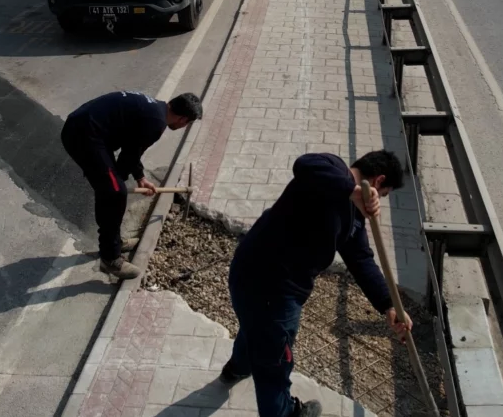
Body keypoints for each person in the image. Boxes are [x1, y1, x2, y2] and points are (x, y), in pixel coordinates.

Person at [221, 151, 412, 417]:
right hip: (272, 287)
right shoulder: (331, 171)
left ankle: (237, 367)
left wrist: (388, 305)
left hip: (256, 277)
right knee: (274, 362)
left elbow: (361, 260)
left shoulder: (354, 218)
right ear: (378, 181)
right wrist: (354, 190)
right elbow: (304, 164)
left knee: (256, 326)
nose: (380, 200)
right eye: (385, 193)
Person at [61, 91, 203, 279]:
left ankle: (114, 242)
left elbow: (132, 147)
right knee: (115, 194)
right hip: (83, 136)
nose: (184, 127)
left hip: (89, 130)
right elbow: (127, 157)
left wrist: (140, 177)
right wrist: (114, 188)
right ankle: (110, 258)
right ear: (183, 119)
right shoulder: (157, 123)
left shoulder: (155, 109)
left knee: (112, 191)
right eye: (188, 124)